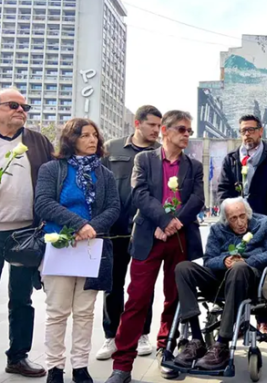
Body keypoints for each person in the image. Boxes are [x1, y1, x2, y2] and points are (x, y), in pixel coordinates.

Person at [105, 110, 205, 382]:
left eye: (189, 131)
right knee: (137, 299)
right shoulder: (144, 159)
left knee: (175, 297)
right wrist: (162, 220)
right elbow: (139, 194)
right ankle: (122, 366)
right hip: (148, 237)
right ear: (166, 131)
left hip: (181, 240)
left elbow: (197, 199)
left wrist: (173, 223)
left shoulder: (194, 166)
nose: (187, 135)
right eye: (182, 129)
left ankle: (167, 350)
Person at [35, 118, 120, 383]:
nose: (93, 140)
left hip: (92, 248)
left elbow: (113, 209)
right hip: (60, 246)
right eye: (85, 135)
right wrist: (79, 224)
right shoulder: (52, 169)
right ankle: (55, 368)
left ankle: (80, 367)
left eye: (95, 135)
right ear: (71, 139)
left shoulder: (104, 174)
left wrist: (91, 229)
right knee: (57, 312)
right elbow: (43, 203)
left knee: (85, 312)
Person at [173, 197, 267, 370]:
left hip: (249, 278)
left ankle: (222, 344)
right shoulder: (218, 230)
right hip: (219, 279)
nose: (240, 222)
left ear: (247, 213)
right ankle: (196, 339)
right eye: (233, 218)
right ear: (226, 219)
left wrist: (250, 261)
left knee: (239, 268)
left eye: (242, 216)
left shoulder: (264, 224)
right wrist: (224, 260)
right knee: (183, 268)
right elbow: (209, 260)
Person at [0, 88, 53, 378]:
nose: (21, 110)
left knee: (21, 299)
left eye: (25, 106)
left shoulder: (37, 141)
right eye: (13, 105)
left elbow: (55, 175)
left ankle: (17, 357)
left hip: (26, 233)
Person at [97, 105, 162, 361]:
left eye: (159, 126)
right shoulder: (112, 148)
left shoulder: (160, 153)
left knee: (143, 286)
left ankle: (142, 334)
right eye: (152, 125)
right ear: (138, 123)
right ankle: (110, 337)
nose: (157, 130)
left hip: (146, 229)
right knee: (113, 285)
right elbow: (98, 184)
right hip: (115, 229)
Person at [217, 114, 267, 336]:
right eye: (243, 130)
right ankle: (235, 315)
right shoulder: (232, 159)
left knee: (263, 267)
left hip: (263, 223)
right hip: (235, 224)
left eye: (251, 130)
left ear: (261, 131)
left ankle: (263, 318)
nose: (247, 134)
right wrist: (229, 210)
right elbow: (223, 190)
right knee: (236, 264)